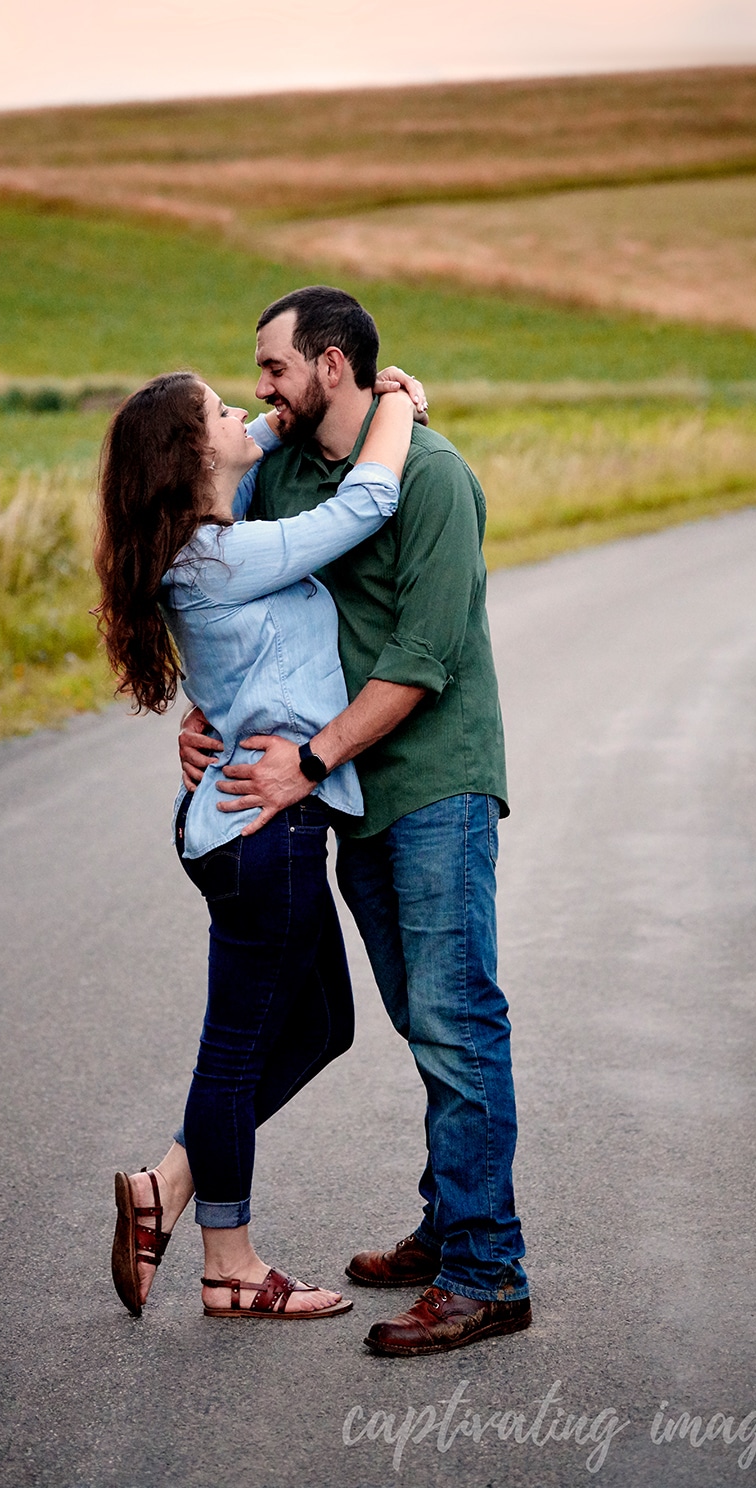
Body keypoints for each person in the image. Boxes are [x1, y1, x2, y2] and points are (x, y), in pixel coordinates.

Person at [179, 285, 531, 1357]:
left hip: (429, 786)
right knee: (421, 1020)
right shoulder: (284, 473)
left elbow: (421, 666)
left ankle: (488, 1273)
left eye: (274, 368)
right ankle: (448, 1222)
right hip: (350, 797)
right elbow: (228, 603)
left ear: (332, 366)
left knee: (458, 1021)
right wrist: (203, 716)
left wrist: (309, 761)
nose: (260, 388)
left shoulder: (429, 476)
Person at [93, 365, 419, 1320]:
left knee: (322, 1027)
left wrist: (283, 417)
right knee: (234, 1053)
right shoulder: (217, 555)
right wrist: (398, 402)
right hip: (259, 830)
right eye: (221, 412)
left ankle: (168, 1185)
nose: (246, 411)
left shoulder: (205, 539)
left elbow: (264, 436)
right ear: (194, 456)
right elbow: (365, 500)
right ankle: (229, 1267)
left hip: (250, 823)